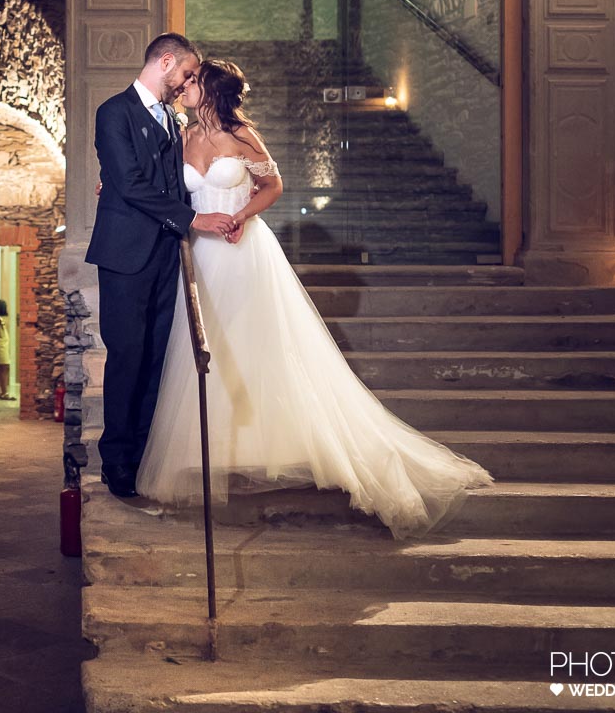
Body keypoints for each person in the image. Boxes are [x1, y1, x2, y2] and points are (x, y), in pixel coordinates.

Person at [133, 58, 495, 538]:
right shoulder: (181, 135)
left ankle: (272, 446)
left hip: (242, 251)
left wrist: (240, 215)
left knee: (253, 346)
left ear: (213, 90)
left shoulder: (242, 136)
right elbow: (160, 186)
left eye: (194, 80)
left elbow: (273, 184)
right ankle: (217, 450)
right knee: (207, 349)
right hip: (199, 250)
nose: (185, 86)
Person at [86, 33, 238, 499]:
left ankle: (146, 457)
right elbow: (131, 182)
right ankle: (117, 463)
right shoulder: (114, 112)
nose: (188, 83)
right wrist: (193, 217)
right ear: (165, 62)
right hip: (125, 259)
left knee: (156, 359)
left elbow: (172, 182)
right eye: (187, 74)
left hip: (166, 255)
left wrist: (232, 196)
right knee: (128, 357)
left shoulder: (173, 121)